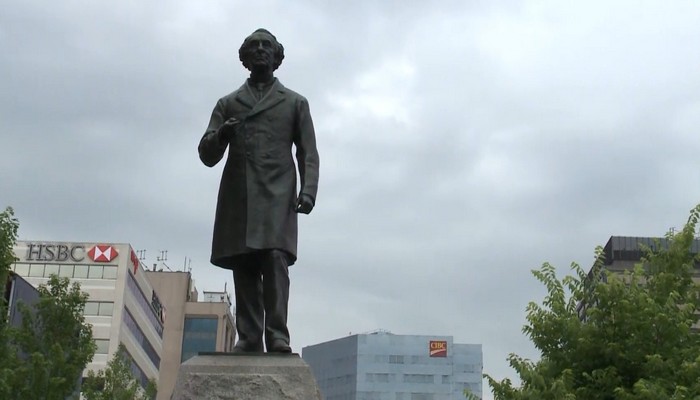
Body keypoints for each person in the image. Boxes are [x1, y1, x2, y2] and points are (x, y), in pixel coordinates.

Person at [198, 28, 319, 353]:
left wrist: (308, 191)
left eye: (267, 46)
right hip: (239, 192)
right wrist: (222, 134)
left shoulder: (295, 102)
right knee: (245, 261)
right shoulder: (228, 103)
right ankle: (249, 336)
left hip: (279, 191)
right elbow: (207, 155)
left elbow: (307, 151)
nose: (261, 50)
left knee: (274, 258)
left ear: (278, 56)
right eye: (254, 46)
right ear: (245, 57)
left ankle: (277, 334)